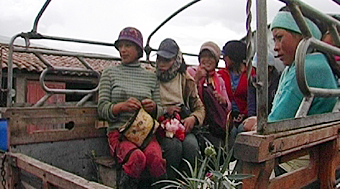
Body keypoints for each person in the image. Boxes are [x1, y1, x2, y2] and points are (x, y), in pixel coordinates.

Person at [97, 27, 166, 189]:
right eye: (120, 46)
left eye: (128, 45)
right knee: (137, 158)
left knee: (156, 158)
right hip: (119, 134)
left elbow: (161, 110)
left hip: (145, 133)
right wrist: (120, 107)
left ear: (138, 50)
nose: (123, 50)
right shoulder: (110, 73)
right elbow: (101, 109)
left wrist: (154, 107)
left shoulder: (151, 76)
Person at [155, 38, 205, 180]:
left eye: (167, 59)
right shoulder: (152, 78)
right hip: (158, 126)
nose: (162, 63)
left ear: (176, 60)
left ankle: (190, 183)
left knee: (191, 146)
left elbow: (199, 107)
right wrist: (164, 110)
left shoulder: (186, 80)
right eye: (160, 58)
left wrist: (193, 118)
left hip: (181, 125)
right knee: (173, 147)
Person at [194, 41, 231, 150]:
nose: (207, 60)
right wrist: (197, 79)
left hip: (214, 123)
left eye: (211, 57)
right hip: (197, 119)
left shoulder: (219, 79)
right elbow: (185, 96)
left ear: (216, 61)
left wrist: (222, 100)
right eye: (204, 56)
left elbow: (228, 106)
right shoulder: (191, 72)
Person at [217, 40, 256, 139]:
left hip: (246, 115)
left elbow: (254, 97)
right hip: (227, 116)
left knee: (240, 131)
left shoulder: (251, 73)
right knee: (231, 131)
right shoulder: (221, 74)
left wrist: (244, 114)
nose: (223, 58)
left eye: (226, 55)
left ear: (233, 56)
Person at [248, 52, 281, 117]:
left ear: (270, 69)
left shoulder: (279, 81)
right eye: (256, 69)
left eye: (260, 68)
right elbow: (251, 105)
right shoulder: (253, 82)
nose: (258, 72)